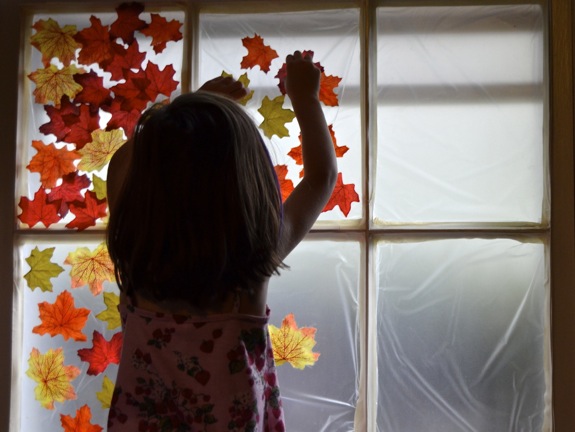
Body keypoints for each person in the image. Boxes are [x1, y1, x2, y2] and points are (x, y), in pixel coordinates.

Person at [105, 51, 337, 431]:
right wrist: (305, 98)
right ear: (248, 186)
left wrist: (194, 113)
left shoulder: (137, 258)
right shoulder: (250, 271)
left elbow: (126, 162)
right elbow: (321, 178)